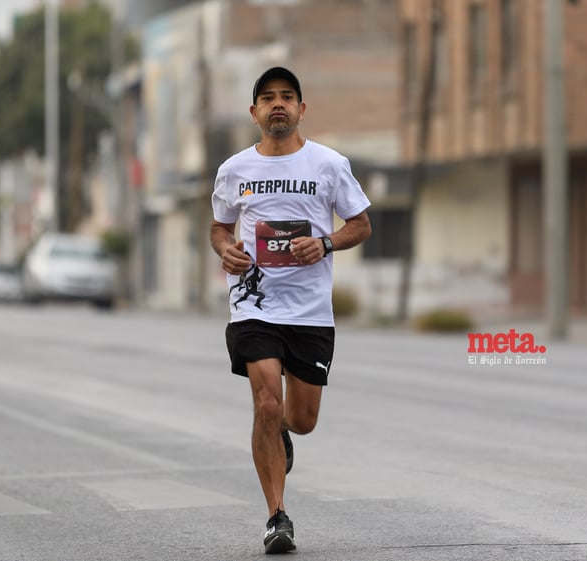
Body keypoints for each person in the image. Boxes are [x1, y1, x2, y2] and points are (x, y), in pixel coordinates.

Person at [210, 66, 372, 554]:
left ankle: (282, 431)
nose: (277, 104)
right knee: (265, 401)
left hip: (310, 314)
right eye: (268, 97)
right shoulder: (234, 170)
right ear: (254, 112)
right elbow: (220, 228)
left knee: (300, 419)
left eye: (287, 97)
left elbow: (360, 225)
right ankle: (277, 516)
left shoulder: (328, 164)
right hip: (254, 305)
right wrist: (225, 250)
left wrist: (324, 244)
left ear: (302, 109)